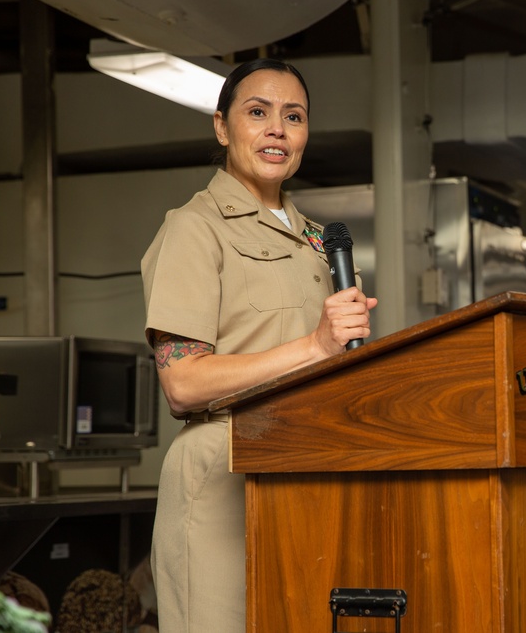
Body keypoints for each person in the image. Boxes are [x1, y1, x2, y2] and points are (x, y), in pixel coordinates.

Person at [141, 58, 377, 633]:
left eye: (292, 117)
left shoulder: (322, 242)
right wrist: (316, 345)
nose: (277, 128)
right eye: (258, 112)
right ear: (222, 127)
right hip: (223, 473)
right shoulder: (195, 228)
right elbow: (183, 384)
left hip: (307, 469)